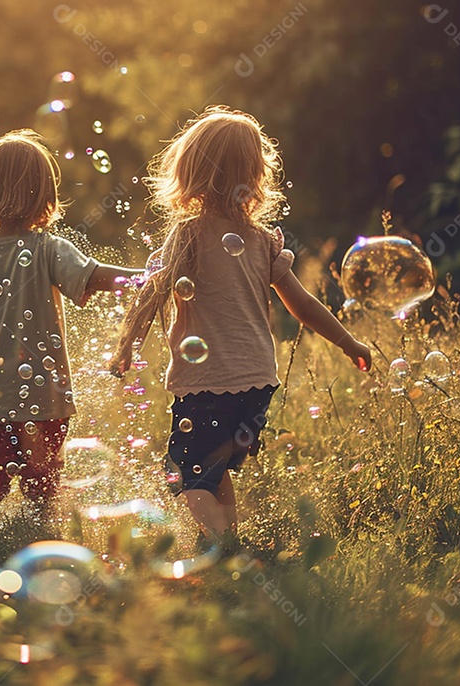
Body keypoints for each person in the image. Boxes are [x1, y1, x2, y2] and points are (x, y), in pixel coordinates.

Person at [112, 107, 371, 554]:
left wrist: (125, 344)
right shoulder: (263, 240)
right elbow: (303, 306)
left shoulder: (188, 234)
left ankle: (222, 549)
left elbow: (152, 292)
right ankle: (228, 543)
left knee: (186, 470)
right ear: (255, 174)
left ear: (189, 170)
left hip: (208, 381)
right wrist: (349, 342)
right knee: (216, 468)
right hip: (257, 384)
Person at [0, 129, 140, 560]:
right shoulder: (49, 247)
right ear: (45, 195)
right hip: (43, 398)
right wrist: (144, 274)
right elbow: (95, 277)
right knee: (42, 482)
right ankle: (40, 546)